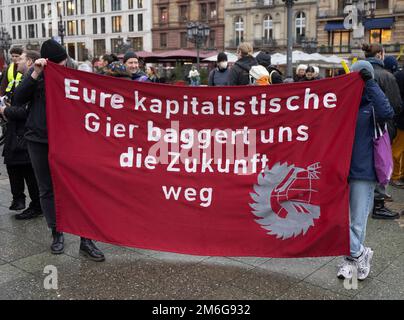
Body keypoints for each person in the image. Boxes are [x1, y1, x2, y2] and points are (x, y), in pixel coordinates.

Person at [12, 39, 105, 261]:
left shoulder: (75, 76)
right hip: (39, 140)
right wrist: (35, 73)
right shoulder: (37, 77)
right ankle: (57, 234)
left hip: (70, 141)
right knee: (46, 189)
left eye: (64, 61)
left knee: (78, 189)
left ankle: (86, 239)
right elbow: (18, 98)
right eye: (57, 63)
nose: (62, 66)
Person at [337, 61, 394, 281]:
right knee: (340, 220)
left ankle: (351, 259)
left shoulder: (372, 105)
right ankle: (360, 253)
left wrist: (369, 82)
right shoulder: (345, 102)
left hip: (363, 170)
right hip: (341, 169)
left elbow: (387, 112)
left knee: (357, 220)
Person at [0, 50, 42, 219]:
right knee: (12, 164)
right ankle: (19, 199)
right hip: (14, 131)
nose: (17, 62)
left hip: (25, 132)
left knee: (28, 170)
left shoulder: (33, 81)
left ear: (30, 62)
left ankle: (36, 205)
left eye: (21, 59)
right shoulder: (20, 78)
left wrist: (5, 110)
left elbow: (27, 110)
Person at [363, 43, 402, 219]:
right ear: (380, 54)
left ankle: (366, 200)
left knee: (366, 162)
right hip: (382, 127)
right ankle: (378, 205)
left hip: (361, 126)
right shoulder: (387, 76)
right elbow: (395, 106)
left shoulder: (357, 74)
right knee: (382, 162)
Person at [383, 56, 404, 189]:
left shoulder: (397, 75)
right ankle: (394, 176)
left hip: (398, 118)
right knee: (397, 150)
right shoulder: (398, 76)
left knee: (398, 149)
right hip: (400, 119)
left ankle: (397, 175)